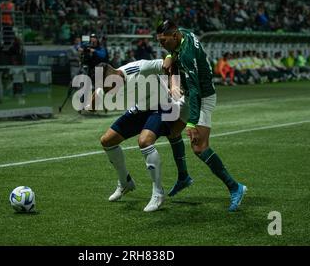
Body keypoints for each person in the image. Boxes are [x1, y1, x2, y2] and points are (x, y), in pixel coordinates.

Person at [157, 19, 246, 212]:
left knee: (199, 148)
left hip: (202, 98)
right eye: (159, 41)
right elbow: (177, 47)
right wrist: (171, 55)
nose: (161, 45)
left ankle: (235, 187)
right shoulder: (183, 32)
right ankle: (183, 177)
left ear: (174, 36)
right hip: (191, 95)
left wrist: (191, 122)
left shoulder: (188, 55)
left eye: (164, 41)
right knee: (172, 132)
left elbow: (195, 90)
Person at [96, 59, 193, 212]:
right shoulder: (107, 84)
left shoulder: (140, 68)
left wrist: (173, 84)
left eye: (109, 88)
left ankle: (158, 193)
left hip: (163, 106)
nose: (109, 92)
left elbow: (169, 62)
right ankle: (125, 182)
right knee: (107, 141)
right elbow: (97, 95)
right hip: (141, 109)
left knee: (145, 141)